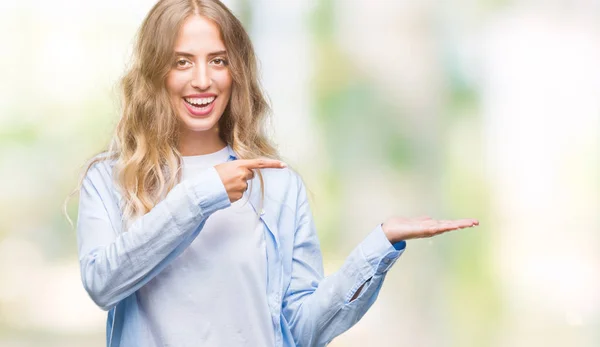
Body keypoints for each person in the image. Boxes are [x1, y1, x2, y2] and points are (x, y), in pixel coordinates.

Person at [73, 0, 479, 346]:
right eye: (182, 62)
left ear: (237, 73)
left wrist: (379, 246)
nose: (202, 80)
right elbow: (103, 285)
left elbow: (303, 329)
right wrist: (204, 194)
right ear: (155, 72)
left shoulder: (277, 186)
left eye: (218, 61)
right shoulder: (110, 180)